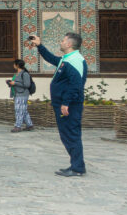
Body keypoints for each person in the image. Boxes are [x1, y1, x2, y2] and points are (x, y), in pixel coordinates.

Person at [28, 32, 87, 177]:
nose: (60, 42)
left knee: (71, 134)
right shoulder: (67, 59)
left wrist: (66, 103)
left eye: (62, 40)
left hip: (69, 105)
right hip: (64, 103)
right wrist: (39, 46)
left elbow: (76, 85)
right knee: (68, 134)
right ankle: (76, 165)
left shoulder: (75, 61)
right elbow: (53, 59)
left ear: (69, 44)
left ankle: (77, 168)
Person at [5, 59, 35, 133]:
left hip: (23, 94)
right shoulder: (17, 74)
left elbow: (27, 85)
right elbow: (16, 83)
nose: (13, 66)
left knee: (19, 110)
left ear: (17, 65)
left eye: (14, 64)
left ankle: (18, 126)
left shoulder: (24, 74)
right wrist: (10, 83)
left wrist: (15, 83)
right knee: (23, 110)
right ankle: (29, 125)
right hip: (17, 93)